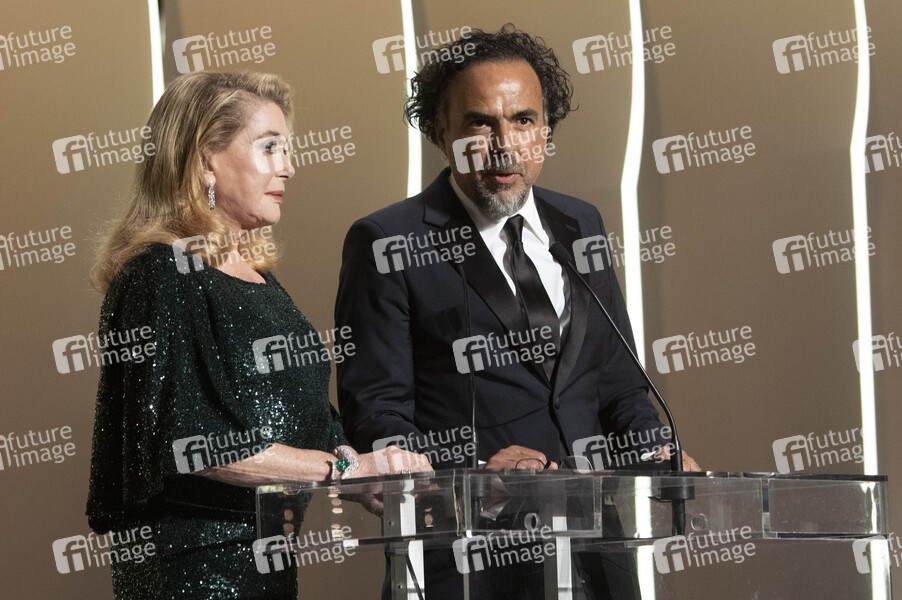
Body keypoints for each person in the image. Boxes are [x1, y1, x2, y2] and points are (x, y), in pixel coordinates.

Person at [335, 25, 698, 598]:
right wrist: (475, 477)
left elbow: (618, 383)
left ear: (546, 129)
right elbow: (377, 417)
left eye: (524, 120)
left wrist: (656, 446)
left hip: (594, 554)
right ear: (440, 132)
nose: (505, 144)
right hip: (467, 559)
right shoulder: (388, 241)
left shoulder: (580, 223)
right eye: (481, 123)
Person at [86, 71, 429, 600]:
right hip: (192, 576)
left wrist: (370, 475)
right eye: (269, 147)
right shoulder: (160, 274)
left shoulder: (262, 283)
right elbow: (193, 444)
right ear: (205, 158)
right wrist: (346, 468)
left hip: (269, 567)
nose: (288, 167)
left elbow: (307, 418)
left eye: (286, 150)